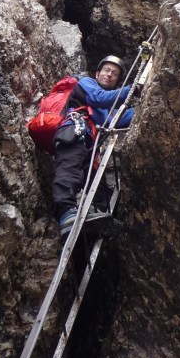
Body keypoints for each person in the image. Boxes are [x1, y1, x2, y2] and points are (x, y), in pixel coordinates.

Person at [52, 55, 134, 239]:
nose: (110, 74)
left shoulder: (109, 111)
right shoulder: (86, 83)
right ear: (97, 73)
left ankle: (96, 217)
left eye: (115, 73)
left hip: (89, 145)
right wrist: (132, 90)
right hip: (73, 133)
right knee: (70, 169)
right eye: (107, 70)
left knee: (101, 188)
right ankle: (65, 212)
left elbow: (127, 116)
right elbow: (98, 98)